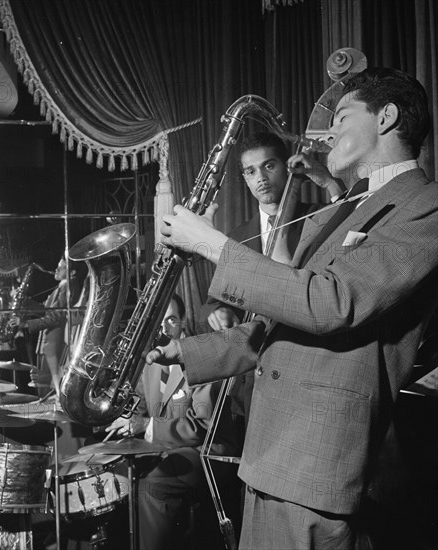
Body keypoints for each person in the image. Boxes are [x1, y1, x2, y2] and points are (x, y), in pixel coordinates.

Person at [147, 68, 438, 549]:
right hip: (275, 454)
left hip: (318, 462)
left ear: (386, 117)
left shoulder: (424, 206)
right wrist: (187, 352)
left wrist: (212, 244)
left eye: (342, 115)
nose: (329, 132)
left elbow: (331, 302)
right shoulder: (351, 206)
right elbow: (279, 324)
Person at [200, 131, 342, 429]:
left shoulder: (319, 218)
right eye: (250, 171)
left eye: (269, 166)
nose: (260, 178)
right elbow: (212, 303)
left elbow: (352, 216)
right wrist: (218, 312)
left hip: (305, 372)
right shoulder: (237, 238)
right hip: (251, 382)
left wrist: (329, 183)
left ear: (287, 166)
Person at [105, 293, 238, 550]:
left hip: (207, 453)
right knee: (116, 478)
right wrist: (123, 416)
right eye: (160, 322)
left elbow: (202, 426)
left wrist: (145, 426)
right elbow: (141, 407)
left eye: (172, 320)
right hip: (170, 448)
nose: (165, 328)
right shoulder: (151, 363)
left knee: (155, 483)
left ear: (183, 322)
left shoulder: (201, 357)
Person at [11, 256, 81, 395]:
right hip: (46, 343)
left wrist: (26, 324)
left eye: (61, 267)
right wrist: (26, 302)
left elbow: (57, 317)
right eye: (57, 266)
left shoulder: (69, 287)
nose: (56, 269)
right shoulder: (61, 287)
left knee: (47, 387)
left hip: (54, 343)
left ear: (72, 273)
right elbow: (46, 309)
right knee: (41, 383)